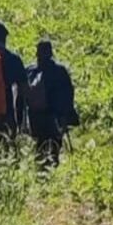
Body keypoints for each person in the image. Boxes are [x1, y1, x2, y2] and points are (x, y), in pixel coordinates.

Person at [26, 39, 78, 167]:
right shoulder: (60, 71)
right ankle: (52, 166)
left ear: (36, 53)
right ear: (51, 53)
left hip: (35, 115)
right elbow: (68, 94)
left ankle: (40, 169)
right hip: (54, 115)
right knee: (54, 143)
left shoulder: (30, 70)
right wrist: (67, 115)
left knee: (39, 143)